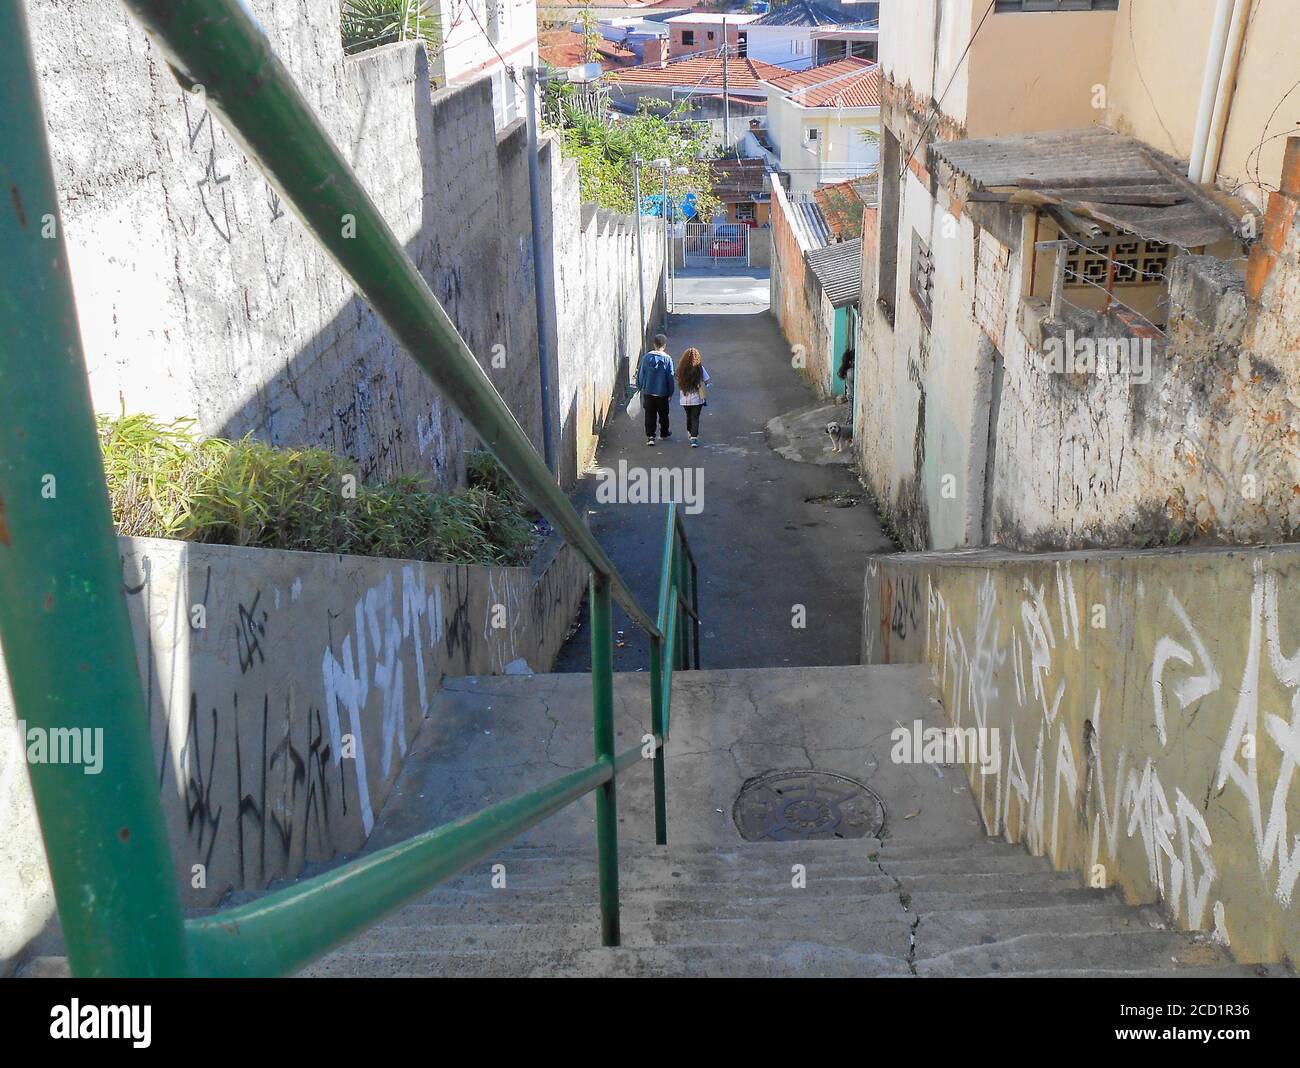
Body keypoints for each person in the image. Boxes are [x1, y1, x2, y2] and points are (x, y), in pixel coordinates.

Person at [637, 334, 675, 445]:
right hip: (662, 393)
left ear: (654, 344)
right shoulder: (667, 359)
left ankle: (650, 437)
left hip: (648, 392)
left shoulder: (646, 357)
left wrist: (639, 386)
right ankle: (664, 433)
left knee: (649, 414)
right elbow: (670, 377)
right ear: (664, 345)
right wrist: (671, 392)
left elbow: (641, 374)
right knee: (664, 414)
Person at [675, 347, 711, 448]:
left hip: (685, 399)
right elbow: (707, 380)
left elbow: (677, 378)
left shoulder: (681, 369)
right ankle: (694, 439)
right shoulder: (699, 368)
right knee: (695, 417)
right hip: (697, 399)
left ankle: (690, 432)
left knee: (688, 416)